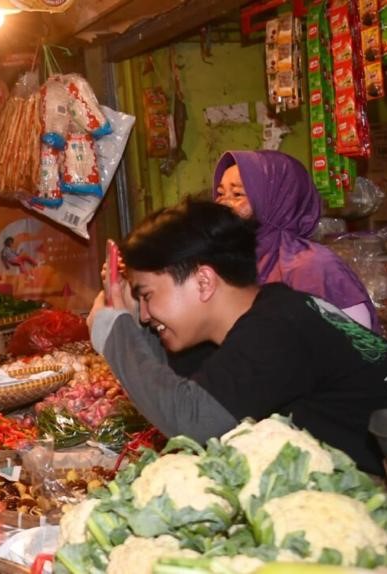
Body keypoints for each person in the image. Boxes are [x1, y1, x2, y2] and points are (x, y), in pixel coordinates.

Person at [86, 200, 387, 476]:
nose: (145, 315)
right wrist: (131, 323)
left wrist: (114, 331)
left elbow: (192, 422)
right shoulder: (257, 319)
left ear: (203, 281)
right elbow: (173, 390)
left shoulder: (277, 327)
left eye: (148, 295)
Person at [213, 150, 379, 331]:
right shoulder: (230, 260)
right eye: (220, 194)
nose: (223, 204)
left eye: (237, 194)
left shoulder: (313, 267)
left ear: (276, 201)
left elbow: (360, 347)